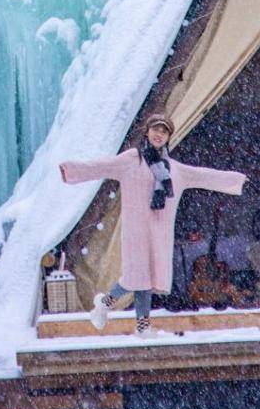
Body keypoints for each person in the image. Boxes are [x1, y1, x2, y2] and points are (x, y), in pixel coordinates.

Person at [60, 114, 247, 331]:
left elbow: (204, 176)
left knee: (146, 281)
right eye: (156, 130)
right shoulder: (132, 160)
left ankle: (140, 325)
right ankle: (105, 304)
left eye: (164, 131)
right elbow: (101, 166)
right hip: (136, 231)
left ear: (168, 137)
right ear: (147, 132)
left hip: (159, 232)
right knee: (135, 276)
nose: (159, 134)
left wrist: (236, 180)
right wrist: (70, 170)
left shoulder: (174, 169)